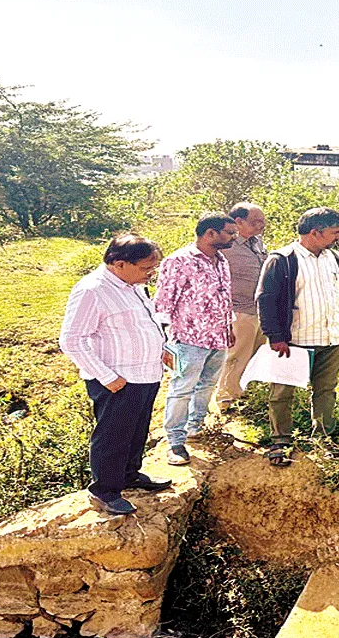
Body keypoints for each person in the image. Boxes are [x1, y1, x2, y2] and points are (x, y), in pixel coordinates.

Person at [59, 234, 174, 516]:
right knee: (114, 436)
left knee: (137, 431)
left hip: (146, 374)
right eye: (146, 267)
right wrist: (107, 377)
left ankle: (130, 475)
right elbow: (71, 339)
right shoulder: (92, 290)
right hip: (117, 381)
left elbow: (143, 322)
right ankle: (105, 491)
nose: (151, 273)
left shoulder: (132, 284)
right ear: (119, 263)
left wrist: (162, 347)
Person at [256, 206, 339, 467]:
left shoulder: (335, 259)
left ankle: (323, 439)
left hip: (331, 338)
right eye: (335, 232)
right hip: (294, 341)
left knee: (325, 390)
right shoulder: (283, 260)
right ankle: (280, 440)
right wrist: (275, 336)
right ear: (316, 232)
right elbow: (266, 300)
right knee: (282, 392)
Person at [154, 213, 239, 466]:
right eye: (230, 233)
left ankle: (195, 427)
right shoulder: (179, 261)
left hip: (218, 337)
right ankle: (175, 442)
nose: (234, 237)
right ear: (210, 233)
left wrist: (229, 327)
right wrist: (164, 340)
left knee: (207, 385)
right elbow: (163, 303)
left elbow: (225, 297)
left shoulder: (221, 260)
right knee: (182, 389)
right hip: (188, 338)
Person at [214, 202, 268, 411]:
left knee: (255, 354)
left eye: (263, 222)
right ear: (238, 222)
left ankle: (243, 393)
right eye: (256, 222)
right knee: (236, 356)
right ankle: (225, 398)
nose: (261, 226)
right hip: (238, 310)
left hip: (259, 309)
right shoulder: (227, 245)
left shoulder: (257, 242)